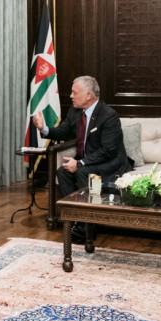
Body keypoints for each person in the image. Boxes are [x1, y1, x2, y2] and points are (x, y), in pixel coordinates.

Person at [32, 76, 133, 241]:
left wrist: (79, 163)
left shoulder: (108, 115)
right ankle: (76, 221)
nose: (71, 96)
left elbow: (108, 150)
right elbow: (63, 131)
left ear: (88, 95)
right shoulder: (75, 111)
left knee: (82, 172)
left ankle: (88, 227)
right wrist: (44, 129)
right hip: (89, 162)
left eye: (74, 92)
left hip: (110, 163)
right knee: (62, 172)